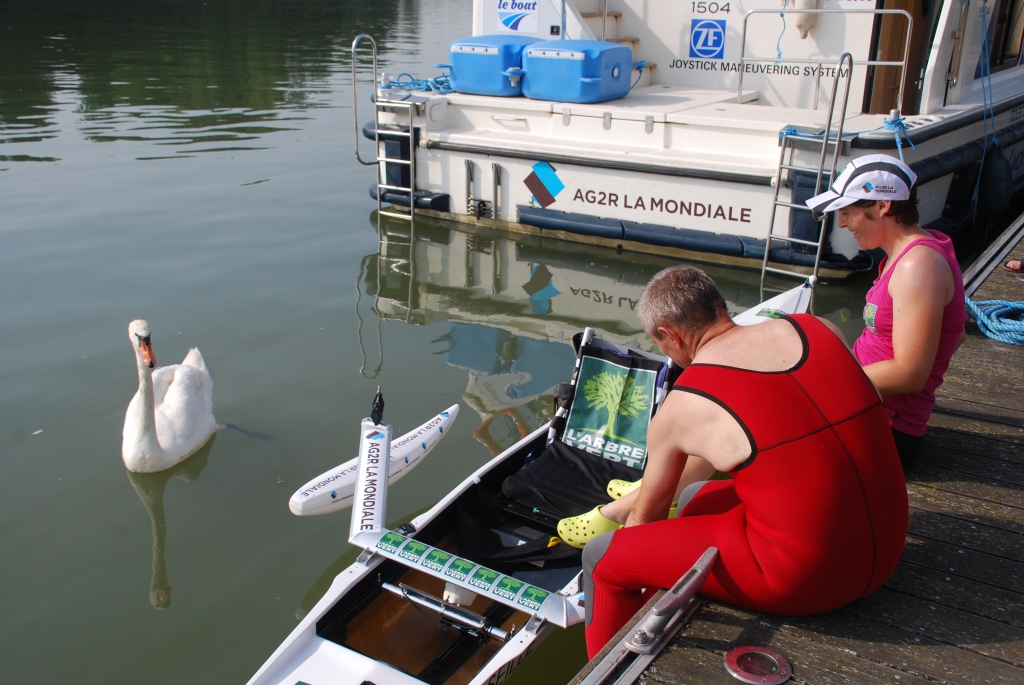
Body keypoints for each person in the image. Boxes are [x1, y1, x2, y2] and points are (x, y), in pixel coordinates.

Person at [574, 265, 908, 659]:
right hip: (887, 545)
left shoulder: (683, 404)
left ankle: (604, 671)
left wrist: (630, 563)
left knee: (601, 558)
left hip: (812, 580)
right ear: (720, 306)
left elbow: (644, 520)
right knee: (696, 496)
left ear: (669, 335)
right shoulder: (816, 327)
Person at [807, 154, 966, 469]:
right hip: (869, 404)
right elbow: (956, 334)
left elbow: (910, 373)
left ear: (883, 206)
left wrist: (827, 384)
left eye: (848, 212)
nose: (841, 223)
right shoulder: (911, 254)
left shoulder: (917, 266)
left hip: (886, 429)